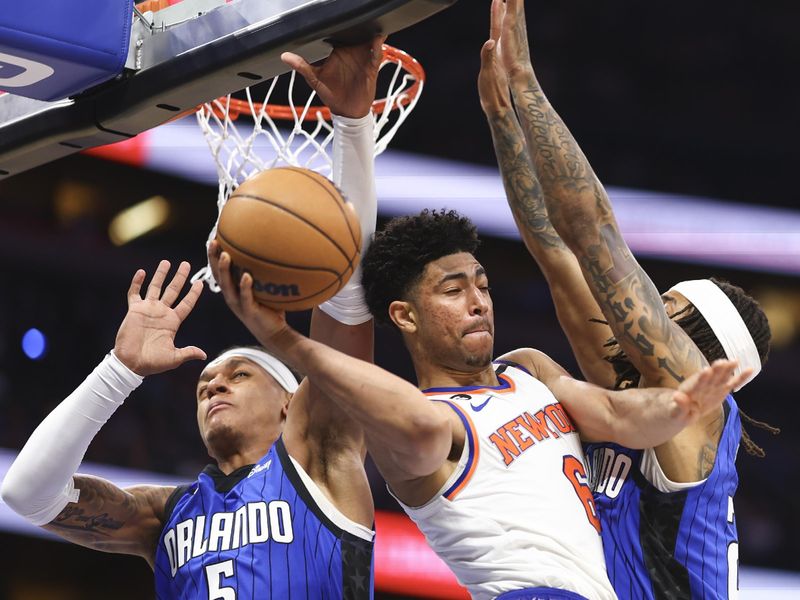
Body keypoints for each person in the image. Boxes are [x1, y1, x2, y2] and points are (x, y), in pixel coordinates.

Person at [210, 184, 750, 597]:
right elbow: (416, 424)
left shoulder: (528, 370)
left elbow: (616, 413)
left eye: (483, 285)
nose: (478, 301)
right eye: (453, 289)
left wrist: (678, 405)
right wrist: (284, 339)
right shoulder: (421, 427)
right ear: (404, 316)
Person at [0, 36, 384, 599]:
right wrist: (118, 371)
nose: (212, 384)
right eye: (206, 382)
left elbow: (349, 296)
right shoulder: (166, 515)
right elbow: (27, 496)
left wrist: (352, 125)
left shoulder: (323, 457)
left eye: (238, 374)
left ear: (290, 400)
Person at [477, 0, 775, 597]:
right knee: (529, 367)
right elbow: (554, 248)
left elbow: (595, 235)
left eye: (667, 306)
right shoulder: (628, 389)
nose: (642, 307)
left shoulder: (694, 412)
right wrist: (501, 114)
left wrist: (528, 85)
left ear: (693, 341)